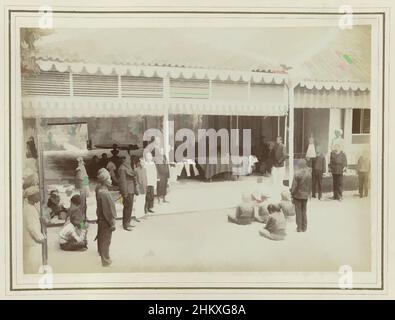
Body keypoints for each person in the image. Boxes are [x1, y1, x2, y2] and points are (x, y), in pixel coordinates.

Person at [95, 168, 117, 267]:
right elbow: (108, 211)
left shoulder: (99, 189)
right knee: (106, 240)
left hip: (100, 219)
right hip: (105, 221)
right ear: (105, 181)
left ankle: (101, 253)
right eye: (109, 179)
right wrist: (112, 222)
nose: (111, 180)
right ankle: (106, 260)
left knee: (101, 238)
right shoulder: (105, 193)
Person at [23, 185, 46, 274]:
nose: (39, 196)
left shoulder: (31, 208)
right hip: (32, 244)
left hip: (32, 243)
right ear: (32, 197)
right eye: (37, 195)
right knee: (33, 267)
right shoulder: (29, 209)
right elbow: (32, 227)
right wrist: (41, 239)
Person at [291, 159, 312, 232]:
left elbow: (294, 186)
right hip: (305, 196)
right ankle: (304, 227)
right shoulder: (309, 174)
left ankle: (299, 228)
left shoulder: (297, 174)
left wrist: (292, 194)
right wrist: (309, 194)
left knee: (298, 212)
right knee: (304, 211)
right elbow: (310, 185)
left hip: (298, 195)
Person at [118, 155, 138, 230]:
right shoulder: (122, 168)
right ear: (124, 160)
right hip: (127, 191)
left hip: (131, 190)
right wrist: (125, 193)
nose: (130, 160)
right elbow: (122, 182)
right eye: (128, 159)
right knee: (127, 208)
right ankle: (125, 225)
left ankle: (128, 222)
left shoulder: (128, 167)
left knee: (130, 207)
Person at [75, 156, 90, 221]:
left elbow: (84, 178)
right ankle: (82, 223)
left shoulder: (82, 168)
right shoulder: (80, 169)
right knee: (82, 205)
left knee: (83, 205)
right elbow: (81, 179)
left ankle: (84, 219)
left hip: (83, 187)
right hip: (82, 188)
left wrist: (86, 186)